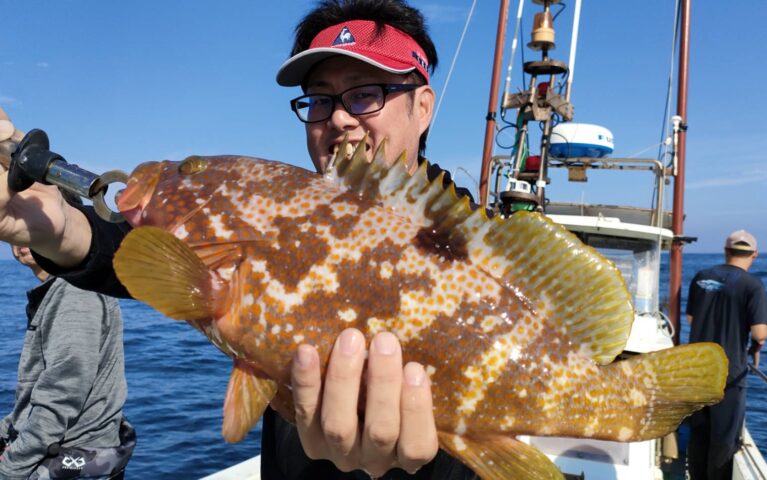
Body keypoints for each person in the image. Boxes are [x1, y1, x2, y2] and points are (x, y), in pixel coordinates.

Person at [0, 1, 478, 478]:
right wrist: (58, 224)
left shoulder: (476, 257)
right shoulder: (287, 221)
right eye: (319, 100)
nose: (339, 120)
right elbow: (155, 257)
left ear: (423, 107)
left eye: (365, 94)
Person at [0, 241, 135, 479]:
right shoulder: (62, 289)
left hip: (69, 460)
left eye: (34, 231)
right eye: (16, 233)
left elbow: (61, 397)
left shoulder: (74, 294)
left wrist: (9, 469)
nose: (22, 240)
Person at [685, 229, 767, 480]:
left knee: (699, 435)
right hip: (729, 375)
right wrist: (759, 341)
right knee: (723, 440)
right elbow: (759, 333)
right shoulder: (752, 285)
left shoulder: (702, 277)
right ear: (754, 255)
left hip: (697, 372)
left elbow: (691, 318)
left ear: (726, 251)